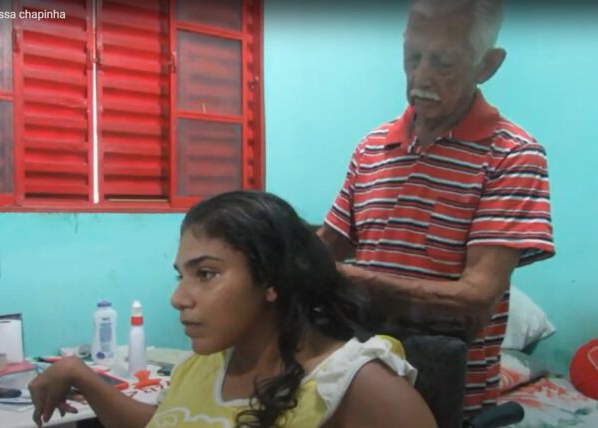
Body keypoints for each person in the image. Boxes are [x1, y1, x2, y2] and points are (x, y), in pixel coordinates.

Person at [318, 0, 555, 420]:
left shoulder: (513, 156)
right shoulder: (372, 147)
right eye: (412, 56)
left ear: (488, 65)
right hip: (359, 382)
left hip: (445, 391)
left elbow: (474, 299)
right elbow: (323, 250)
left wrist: (341, 277)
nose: (421, 76)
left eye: (443, 62)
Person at [29, 190, 437, 428]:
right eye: (181, 276)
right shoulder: (204, 367)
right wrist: (80, 375)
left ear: (271, 281)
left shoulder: (355, 384)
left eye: (206, 274)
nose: (179, 298)